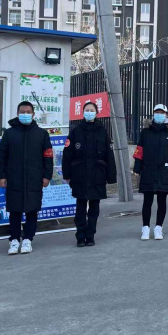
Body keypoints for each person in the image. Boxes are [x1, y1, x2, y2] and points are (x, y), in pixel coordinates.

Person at [0, 102, 53, 256]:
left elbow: (48, 157)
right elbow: (1, 156)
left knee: (32, 210)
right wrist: (1, 176)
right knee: (14, 210)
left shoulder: (41, 134)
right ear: (17, 114)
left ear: (33, 114)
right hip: (14, 178)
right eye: (22, 112)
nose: (25, 114)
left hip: (34, 178)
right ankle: (14, 240)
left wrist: (47, 176)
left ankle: (28, 239)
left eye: (28, 112)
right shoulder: (9, 133)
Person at [62, 102, 116, 248]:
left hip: (97, 175)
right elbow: (67, 154)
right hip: (79, 175)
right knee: (80, 207)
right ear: (83, 112)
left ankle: (90, 235)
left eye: (92, 110)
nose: (89, 112)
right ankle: (80, 236)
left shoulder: (102, 131)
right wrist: (67, 174)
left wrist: (111, 176)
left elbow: (109, 155)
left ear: (96, 113)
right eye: (87, 110)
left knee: (94, 207)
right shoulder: (76, 131)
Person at [133, 105, 168, 241]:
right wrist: (137, 168)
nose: (159, 115)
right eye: (157, 112)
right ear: (153, 114)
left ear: (166, 115)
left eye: (162, 113)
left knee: (162, 201)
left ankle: (158, 228)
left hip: (164, 171)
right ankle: (145, 228)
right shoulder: (146, 132)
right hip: (148, 170)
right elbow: (139, 150)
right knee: (147, 201)